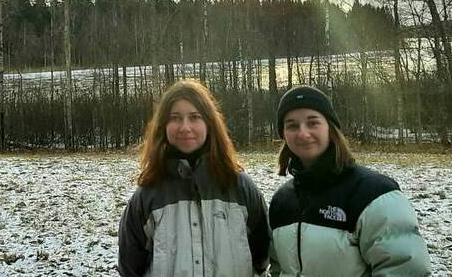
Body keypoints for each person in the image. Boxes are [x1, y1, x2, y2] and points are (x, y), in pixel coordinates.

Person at [268, 85, 431, 277]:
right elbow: (279, 269)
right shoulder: (282, 202)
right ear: (284, 134)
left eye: (313, 123)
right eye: (292, 125)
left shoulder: (374, 195)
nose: (303, 133)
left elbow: (403, 269)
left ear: (331, 128)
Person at [118, 79, 270, 277]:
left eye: (194, 117)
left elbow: (262, 257)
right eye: (175, 118)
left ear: (209, 124)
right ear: (164, 125)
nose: (185, 127)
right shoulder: (147, 196)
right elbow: (130, 268)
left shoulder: (241, 188)